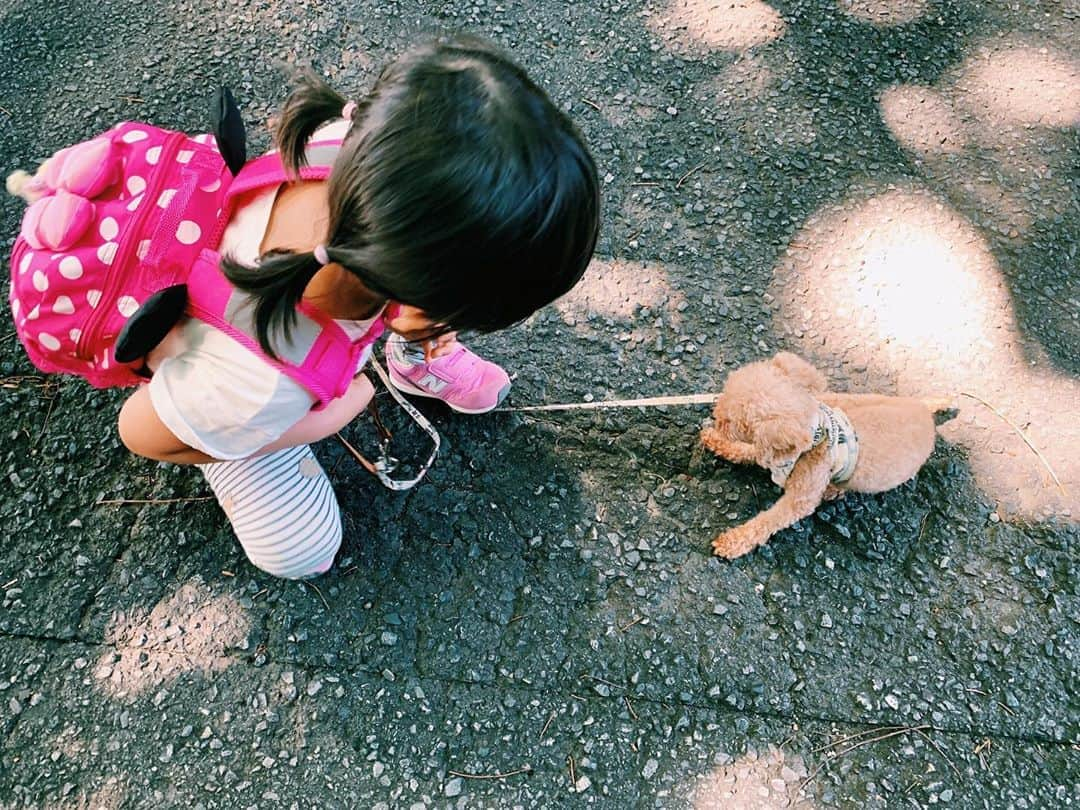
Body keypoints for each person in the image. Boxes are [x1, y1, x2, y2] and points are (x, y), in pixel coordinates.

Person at [115, 37, 600, 579]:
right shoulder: (261, 378)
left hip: (288, 292)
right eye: (455, 316)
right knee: (302, 551)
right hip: (218, 369)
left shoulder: (355, 147)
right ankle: (228, 440)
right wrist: (322, 421)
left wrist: (422, 321)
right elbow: (138, 432)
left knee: (460, 247)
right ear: (410, 298)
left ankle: (412, 360)